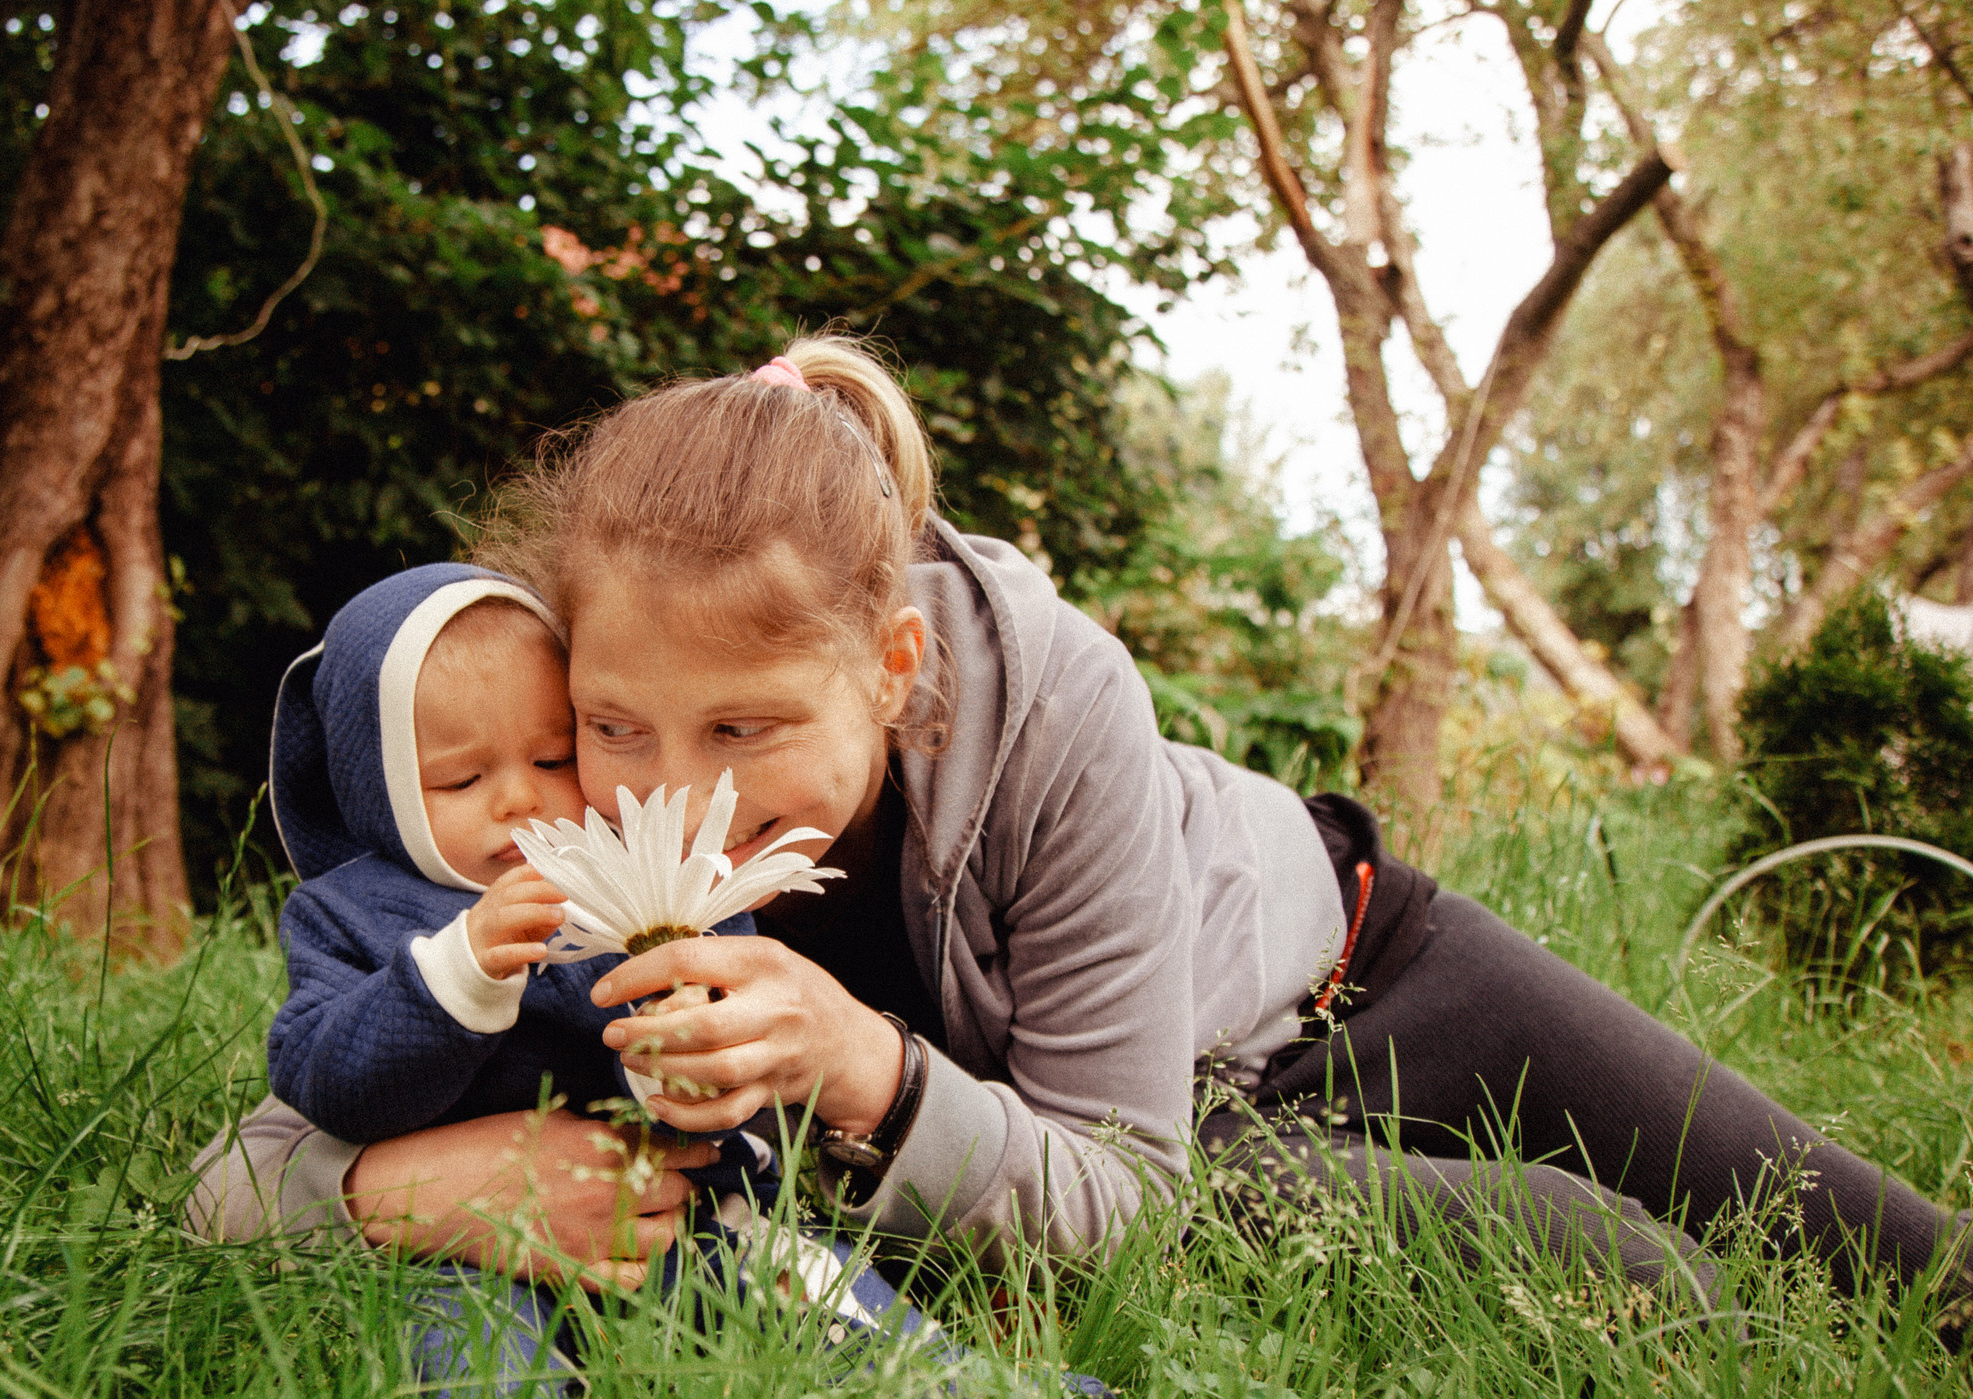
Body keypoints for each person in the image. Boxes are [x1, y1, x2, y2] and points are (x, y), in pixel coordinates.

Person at [190, 336, 1973, 1347]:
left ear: (889, 670)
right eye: (625, 726)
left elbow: (1089, 1160)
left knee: (1879, 1240)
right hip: (1173, 1142)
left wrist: (868, 1065)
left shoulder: (1049, 698)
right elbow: (247, 1156)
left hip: (1359, 967)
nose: (686, 796)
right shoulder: (561, 823)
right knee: (1599, 1261)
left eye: (751, 731)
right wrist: (383, 1186)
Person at [262, 561, 940, 1399]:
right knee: (475, 1366)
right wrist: (455, 977)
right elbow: (321, 1076)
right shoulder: (346, 915)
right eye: (462, 780)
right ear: (376, 786)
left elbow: (724, 1010)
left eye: (551, 756)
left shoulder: (640, 872)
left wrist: (683, 1067)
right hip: (462, 1248)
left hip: (679, 1210)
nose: (518, 798)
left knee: (818, 1289)